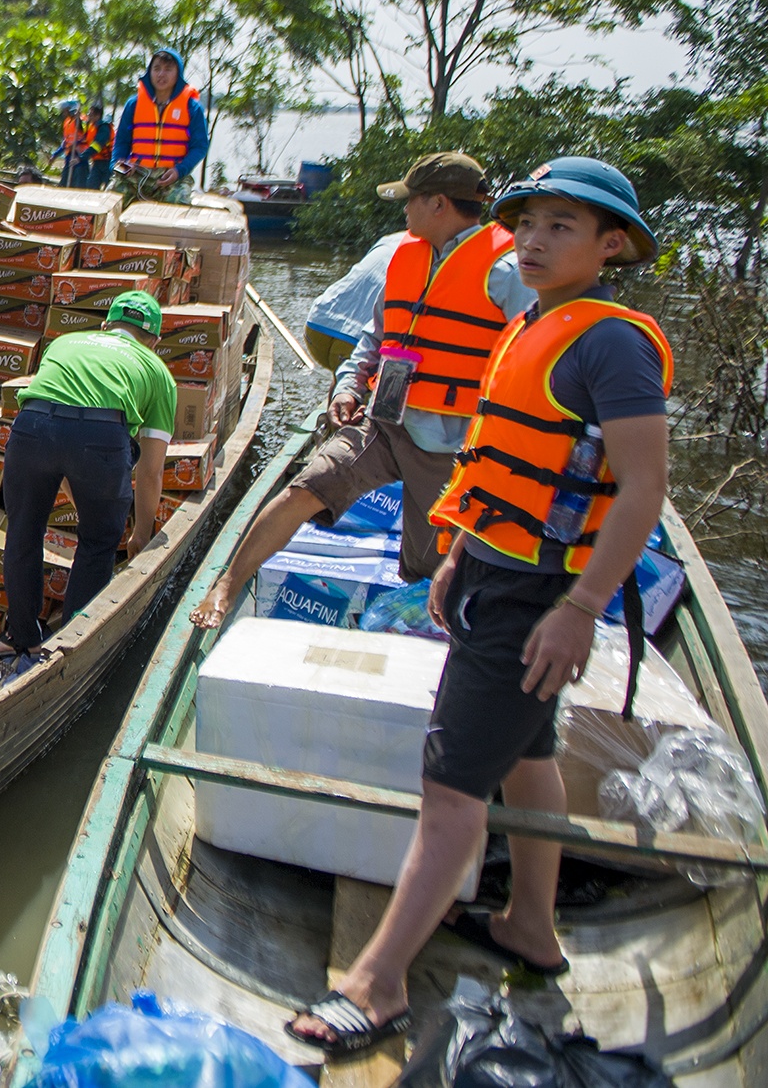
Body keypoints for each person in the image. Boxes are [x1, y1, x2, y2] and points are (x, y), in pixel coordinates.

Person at [287, 157, 671, 1058]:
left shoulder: (611, 342)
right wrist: (457, 551)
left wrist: (579, 607)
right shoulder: (534, 322)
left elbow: (645, 488)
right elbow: (492, 458)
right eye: (527, 224)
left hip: (541, 591)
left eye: (561, 228)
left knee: (450, 789)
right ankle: (530, 923)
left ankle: (376, 985)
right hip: (496, 570)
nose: (534, 241)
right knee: (528, 755)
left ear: (610, 245)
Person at [194, 153, 535, 627]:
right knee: (305, 489)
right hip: (385, 420)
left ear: (438, 204)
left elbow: (533, 361)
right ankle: (226, 588)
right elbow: (375, 339)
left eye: (410, 200)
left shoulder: (508, 271)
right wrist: (350, 385)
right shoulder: (406, 256)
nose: (404, 210)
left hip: (453, 445)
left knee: (427, 565)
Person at [0, 290, 176, 654]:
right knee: (97, 543)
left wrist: (78, 482)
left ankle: (22, 639)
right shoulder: (158, 372)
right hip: (102, 439)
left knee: (23, 533)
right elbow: (152, 471)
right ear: (154, 341)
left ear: (107, 324)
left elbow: (58, 422)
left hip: (31, 428)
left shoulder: (65, 342)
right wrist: (141, 534)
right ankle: (71, 646)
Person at [111, 48, 208, 203]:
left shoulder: (192, 107)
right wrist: (119, 164)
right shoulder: (133, 104)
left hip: (172, 174)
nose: (161, 74)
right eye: (156, 69)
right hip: (137, 173)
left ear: (178, 74)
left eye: (168, 70)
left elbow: (200, 146)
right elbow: (121, 141)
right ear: (150, 72)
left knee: (179, 201)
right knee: (111, 197)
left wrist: (179, 171)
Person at [306, 230, 405, 371]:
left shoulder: (389, 239)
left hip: (317, 323)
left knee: (341, 378)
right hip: (357, 339)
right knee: (357, 385)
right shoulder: (429, 253)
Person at [53, 98, 89, 187]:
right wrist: (56, 154)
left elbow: (86, 135)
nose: (63, 112)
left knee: (79, 182)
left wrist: (78, 119)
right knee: (65, 181)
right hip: (69, 154)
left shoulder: (80, 120)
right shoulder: (67, 122)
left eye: (65, 110)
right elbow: (66, 141)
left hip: (80, 155)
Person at [82, 101, 112, 188]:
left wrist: (82, 157)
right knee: (91, 185)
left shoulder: (104, 128)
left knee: (107, 188)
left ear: (97, 116)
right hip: (97, 162)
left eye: (91, 114)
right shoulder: (92, 127)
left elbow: (97, 146)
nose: (89, 116)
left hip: (107, 163)